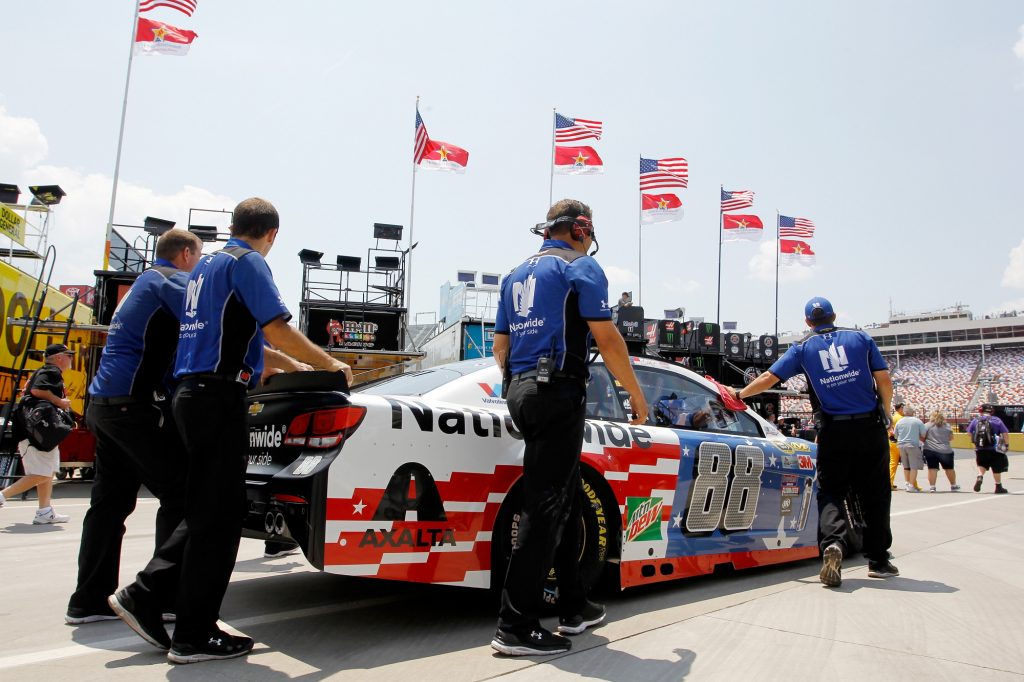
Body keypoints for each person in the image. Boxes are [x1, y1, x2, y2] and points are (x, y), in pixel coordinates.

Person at [108, 197, 352, 664]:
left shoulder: (206, 268)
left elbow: (249, 340)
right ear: (272, 233)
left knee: (209, 509)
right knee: (220, 517)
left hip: (191, 394)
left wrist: (289, 365)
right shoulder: (249, 261)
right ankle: (192, 633)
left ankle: (148, 594)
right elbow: (275, 328)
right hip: (217, 398)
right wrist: (329, 363)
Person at [490, 199, 648, 656]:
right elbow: (607, 336)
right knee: (546, 507)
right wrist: (635, 395)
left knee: (567, 494)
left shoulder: (515, 274)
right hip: (557, 391)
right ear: (580, 228)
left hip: (521, 390)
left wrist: (519, 383)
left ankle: (574, 604)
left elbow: (500, 344)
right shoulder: (581, 266)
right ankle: (514, 626)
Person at [66, 229, 202, 625]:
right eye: (198, 259)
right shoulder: (169, 281)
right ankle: (163, 597)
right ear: (185, 254)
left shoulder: (144, 284)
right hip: (132, 407)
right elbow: (207, 322)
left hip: (103, 407)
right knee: (182, 494)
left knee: (108, 506)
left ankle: (88, 600)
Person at [726, 296, 898, 587]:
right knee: (876, 493)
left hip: (832, 430)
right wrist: (886, 410)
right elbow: (883, 379)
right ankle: (878, 560)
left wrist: (740, 395)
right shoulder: (860, 338)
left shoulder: (803, 348)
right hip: (869, 426)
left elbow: (769, 377)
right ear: (834, 315)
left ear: (808, 322)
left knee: (831, 491)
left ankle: (834, 545)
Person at [0, 344, 76, 523]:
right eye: (69, 355)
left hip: (37, 432)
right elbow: (37, 391)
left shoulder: (43, 371)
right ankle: (3, 495)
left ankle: (44, 512)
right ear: (59, 357)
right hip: (36, 433)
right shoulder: (52, 371)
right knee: (42, 474)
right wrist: (60, 402)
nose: (71, 358)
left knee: (47, 472)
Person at [967, 403, 1009, 494]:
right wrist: (1006, 444)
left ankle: (980, 476)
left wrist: (976, 443)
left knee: (982, 464)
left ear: (981, 411)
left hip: (980, 448)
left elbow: (969, 433)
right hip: (995, 448)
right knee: (996, 467)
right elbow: (1005, 433)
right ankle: (998, 486)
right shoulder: (996, 420)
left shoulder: (975, 420)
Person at [922, 410, 959, 492]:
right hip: (945, 450)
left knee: (932, 468)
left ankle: (932, 487)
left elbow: (923, 436)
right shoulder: (947, 426)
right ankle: (953, 485)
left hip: (930, 449)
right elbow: (951, 438)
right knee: (949, 469)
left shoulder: (927, 425)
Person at [893, 405, 927, 492]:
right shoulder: (917, 421)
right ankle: (911, 485)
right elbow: (923, 434)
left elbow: (895, 435)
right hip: (912, 444)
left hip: (901, 444)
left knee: (906, 466)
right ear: (912, 412)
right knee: (913, 466)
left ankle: (907, 483)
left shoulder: (899, 422)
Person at [888, 401, 905, 490]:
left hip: (891, 441)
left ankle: (890, 483)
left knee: (893, 463)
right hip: (899, 442)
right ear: (900, 408)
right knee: (908, 463)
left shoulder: (893, 417)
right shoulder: (901, 418)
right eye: (903, 408)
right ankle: (912, 483)